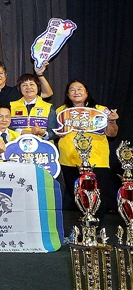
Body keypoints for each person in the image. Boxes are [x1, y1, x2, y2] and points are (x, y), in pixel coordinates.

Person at [50, 79, 119, 211]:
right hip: (69, 161)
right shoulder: (61, 111)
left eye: (79, 89)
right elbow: (55, 133)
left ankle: (95, 223)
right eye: (72, 90)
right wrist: (57, 134)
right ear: (68, 94)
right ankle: (83, 223)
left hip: (96, 160)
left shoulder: (101, 110)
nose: (76, 92)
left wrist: (112, 121)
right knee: (77, 197)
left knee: (97, 197)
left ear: (87, 92)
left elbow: (112, 134)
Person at [0, 61, 53, 128]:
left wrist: (40, 74)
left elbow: (47, 93)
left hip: (16, 133)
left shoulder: (17, 91)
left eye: (0, 73)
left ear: (5, 75)